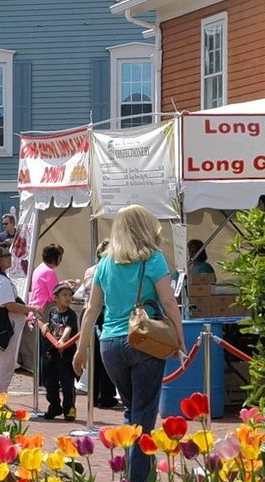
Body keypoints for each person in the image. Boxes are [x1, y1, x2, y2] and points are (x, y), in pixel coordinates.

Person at [73, 205, 186, 482]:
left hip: (109, 343)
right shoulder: (154, 259)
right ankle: (138, 477)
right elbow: (169, 302)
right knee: (144, 416)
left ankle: (130, 471)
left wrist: (80, 349)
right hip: (144, 339)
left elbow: (91, 309)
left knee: (131, 411)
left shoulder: (104, 263)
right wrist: (179, 340)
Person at [0, 246, 42, 397]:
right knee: (2, 367)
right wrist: (31, 309)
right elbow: (9, 305)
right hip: (0, 328)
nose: (10, 258)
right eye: (6, 255)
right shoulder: (0, 280)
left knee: (1, 366)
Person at [76, 239, 118, 409]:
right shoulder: (109, 270)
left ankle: (95, 394)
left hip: (91, 312)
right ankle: (105, 395)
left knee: (95, 357)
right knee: (104, 357)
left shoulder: (90, 270)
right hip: (102, 312)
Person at [20, 243, 67, 376]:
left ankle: (42, 376)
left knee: (41, 346)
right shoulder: (49, 272)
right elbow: (55, 294)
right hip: (44, 310)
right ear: (56, 258)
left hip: (36, 308)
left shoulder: (40, 268)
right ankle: (44, 377)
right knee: (46, 347)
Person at [41, 283, 79, 421]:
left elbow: (68, 329)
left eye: (69, 295)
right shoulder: (53, 311)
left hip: (66, 354)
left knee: (67, 383)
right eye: (64, 295)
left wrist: (62, 341)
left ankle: (69, 409)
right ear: (55, 298)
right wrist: (45, 327)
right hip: (53, 354)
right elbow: (50, 325)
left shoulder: (71, 314)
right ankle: (54, 406)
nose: (68, 298)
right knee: (50, 382)